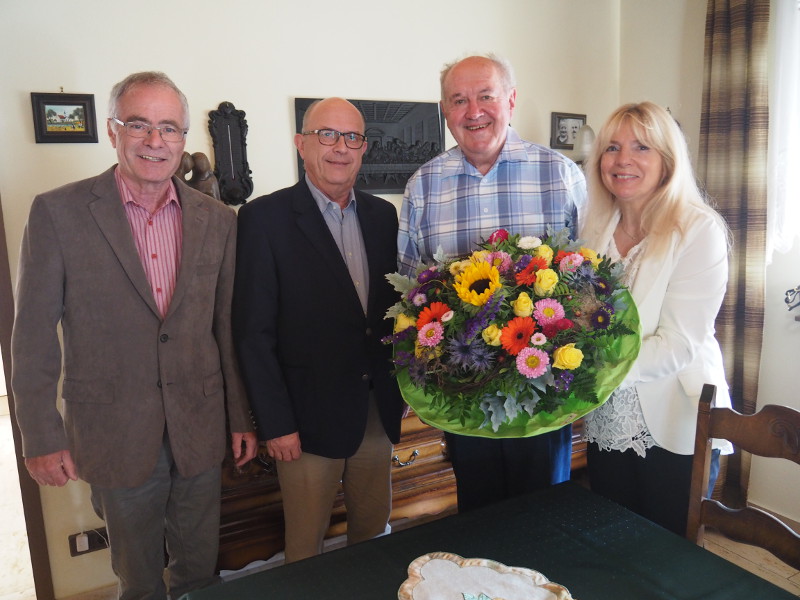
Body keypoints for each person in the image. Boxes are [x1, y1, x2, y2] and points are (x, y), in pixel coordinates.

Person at [11, 71, 257, 600]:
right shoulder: (58, 212)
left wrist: (239, 417)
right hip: (113, 431)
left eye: (169, 128)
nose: (155, 140)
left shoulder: (218, 220)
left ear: (184, 139)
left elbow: (224, 328)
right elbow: (30, 334)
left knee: (200, 572)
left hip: (199, 425)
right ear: (112, 131)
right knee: (139, 579)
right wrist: (41, 435)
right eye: (139, 125)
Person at [397, 54, 586, 512]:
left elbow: (588, 283)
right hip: (465, 399)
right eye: (459, 100)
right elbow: (408, 291)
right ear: (445, 111)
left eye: (486, 96)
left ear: (511, 100)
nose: (473, 111)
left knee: (544, 520)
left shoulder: (559, 174)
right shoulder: (424, 186)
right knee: (477, 521)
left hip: (543, 399)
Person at [232, 97, 405, 563]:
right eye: (326, 135)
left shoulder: (383, 217)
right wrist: (276, 423)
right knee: (306, 550)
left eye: (351, 137)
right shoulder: (262, 220)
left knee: (373, 535)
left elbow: (391, 316)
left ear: (363, 148)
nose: (340, 148)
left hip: (373, 412)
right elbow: (253, 333)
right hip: (303, 423)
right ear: (301, 144)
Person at [579, 101, 732, 536]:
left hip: (676, 423)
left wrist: (591, 375)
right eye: (611, 148)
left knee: (665, 559)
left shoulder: (698, 229)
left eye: (641, 147)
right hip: (608, 422)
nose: (622, 159)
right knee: (613, 547)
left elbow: (679, 343)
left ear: (667, 160)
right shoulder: (594, 229)